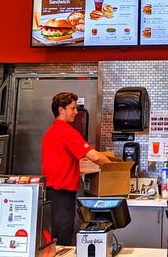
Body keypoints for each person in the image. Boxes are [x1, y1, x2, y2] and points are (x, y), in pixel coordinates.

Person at [42, 92, 111, 246]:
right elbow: (96, 157)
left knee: (53, 240)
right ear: (61, 110)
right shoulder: (66, 131)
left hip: (52, 194)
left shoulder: (51, 131)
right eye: (72, 108)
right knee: (62, 241)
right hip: (62, 195)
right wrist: (115, 166)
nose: (76, 112)